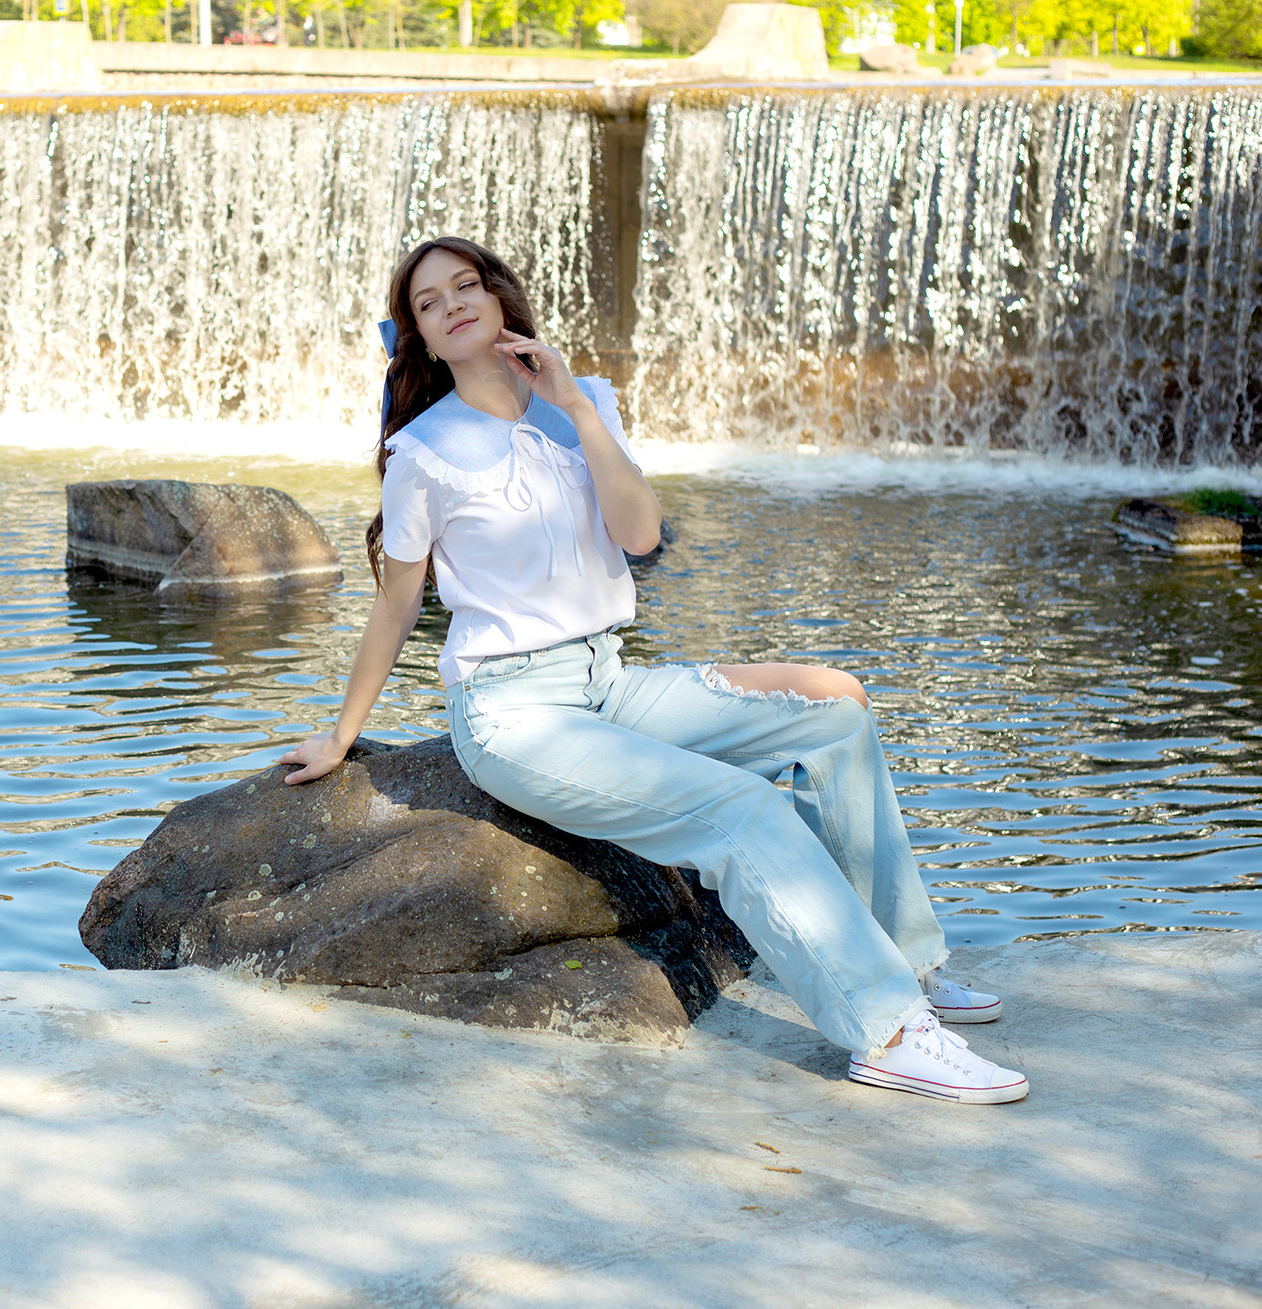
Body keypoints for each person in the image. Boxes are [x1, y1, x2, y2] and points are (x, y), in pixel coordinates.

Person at [278, 236, 1027, 1105]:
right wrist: (342, 734)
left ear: (498, 297)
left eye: (466, 285)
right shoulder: (426, 452)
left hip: (612, 682)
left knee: (838, 708)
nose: (452, 304)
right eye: (428, 302)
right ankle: (888, 1030)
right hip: (514, 715)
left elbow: (640, 538)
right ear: (421, 338)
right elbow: (398, 605)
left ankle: (903, 961)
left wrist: (578, 410)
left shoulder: (584, 400)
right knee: (742, 808)